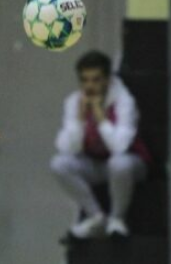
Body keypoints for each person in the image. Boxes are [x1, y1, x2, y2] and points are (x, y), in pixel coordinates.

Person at [50, 50, 150, 238]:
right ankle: (96, 216)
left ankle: (117, 219)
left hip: (131, 166)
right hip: (96, 165)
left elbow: (119, 147)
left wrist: (100, 118)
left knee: (119, 163)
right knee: (59, 164)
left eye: (96, 80)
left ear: (107, 79)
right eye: (85, 80)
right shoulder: (74, 102)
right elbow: (66, 148)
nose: (90, 86)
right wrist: (79, 121)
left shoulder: (124, 101)